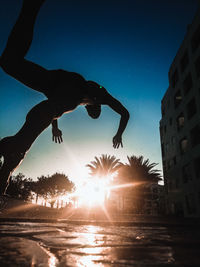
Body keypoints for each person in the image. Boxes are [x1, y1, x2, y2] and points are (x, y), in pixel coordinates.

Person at [0, 0, 129, 194]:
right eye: (96, 111)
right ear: (98, 106)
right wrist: (119, 133)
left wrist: (55, 127)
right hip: (54, 83)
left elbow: (53, 110)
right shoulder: (100, 95)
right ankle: (12, 155)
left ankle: (7, 168)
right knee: (11, 64)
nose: (94, 111)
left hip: (51, 89)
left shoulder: (75, 102)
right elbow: (125, 113)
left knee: (9, 62)